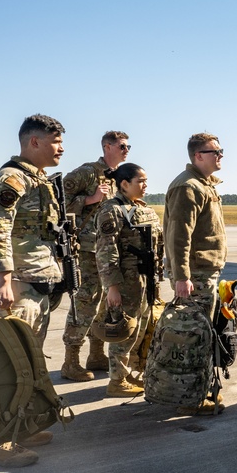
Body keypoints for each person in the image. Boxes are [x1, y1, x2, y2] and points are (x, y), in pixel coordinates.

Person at [0, 114, 66, 467]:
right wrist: (2, 280)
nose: (61, 148)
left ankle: (20, 427)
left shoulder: (38, 179)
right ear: (34, 142)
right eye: (55, 141)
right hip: (14, 285)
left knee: (26, 364)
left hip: (35, 285)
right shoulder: (10, 179)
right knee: (2, 363)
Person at [163, 132, 227, 415]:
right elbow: (178, 236)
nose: (221, 155)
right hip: (195, 275)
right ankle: (191, 396)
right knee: (193, 337)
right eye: (215, 151)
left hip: (204, 272)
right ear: (198, 156)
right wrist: (181, 277)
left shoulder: (204, 185)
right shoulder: (188, 187)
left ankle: (200, 390)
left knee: (203, 334)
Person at [60, 130, 130, 382]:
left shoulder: (121, 176)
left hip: (110, 249)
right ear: (107, 147)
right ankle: (70, 360)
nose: (126, 150)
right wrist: (90, 199)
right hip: (88, 248)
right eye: (122, 146)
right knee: (86, 300)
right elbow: (57, 200)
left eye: (128, 146)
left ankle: (96, 354)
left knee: (105, 303)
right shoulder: (87, 172)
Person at [94, 163, 163, 398]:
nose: (145, 185)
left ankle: (128, 372)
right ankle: (116, 380)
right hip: (125, 281)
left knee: (141, 328)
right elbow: (106, 252)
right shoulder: (111, 211)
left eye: (145, 181)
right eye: (140, 181)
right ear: (124, 184)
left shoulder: (140, 209)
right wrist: (112, 287)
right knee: (124, 329)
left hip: (145, 280)